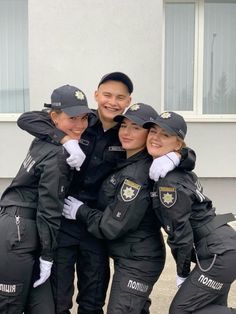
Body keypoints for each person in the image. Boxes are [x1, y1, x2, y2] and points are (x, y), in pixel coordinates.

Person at [17, 72, 195, 314]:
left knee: (92, 300)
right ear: (97, 95)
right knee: (59, 298)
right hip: (64, 221)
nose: (112, 102)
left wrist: (178, 155)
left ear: (128, 101)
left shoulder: (127, 131)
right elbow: (28, 119)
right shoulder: (80, 120)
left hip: (96, 226)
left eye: (120, 97)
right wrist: (65, 139)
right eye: (107, 95)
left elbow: (172, 142)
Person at [62, 103, 166, 314]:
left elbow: (112, 226)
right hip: (128, 254)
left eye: (136, 128)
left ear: (149, 134)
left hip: (138, 259)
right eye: (124, 126)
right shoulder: (127, 159)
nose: (126, 132)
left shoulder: (138, 174)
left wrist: (80, 211)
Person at [0, 84, 92, 314]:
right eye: (73, 118)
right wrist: (48, 256)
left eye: (84, 118)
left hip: (25, 227)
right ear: (54, 117)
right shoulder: (59, 155)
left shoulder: (47, 135)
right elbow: (49, 210)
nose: (80, 125)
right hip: (19, 229)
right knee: (9, 305)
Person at [144, 111, 236, 314]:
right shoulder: (179, 168)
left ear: (178, 145)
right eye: (153, 131)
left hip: (218, 254)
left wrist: (182, 272)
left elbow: (181, 235)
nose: (156, 137)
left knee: (181, 310)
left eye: (165, 135)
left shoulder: (168, 181)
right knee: (212, 308)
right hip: (223, 247)